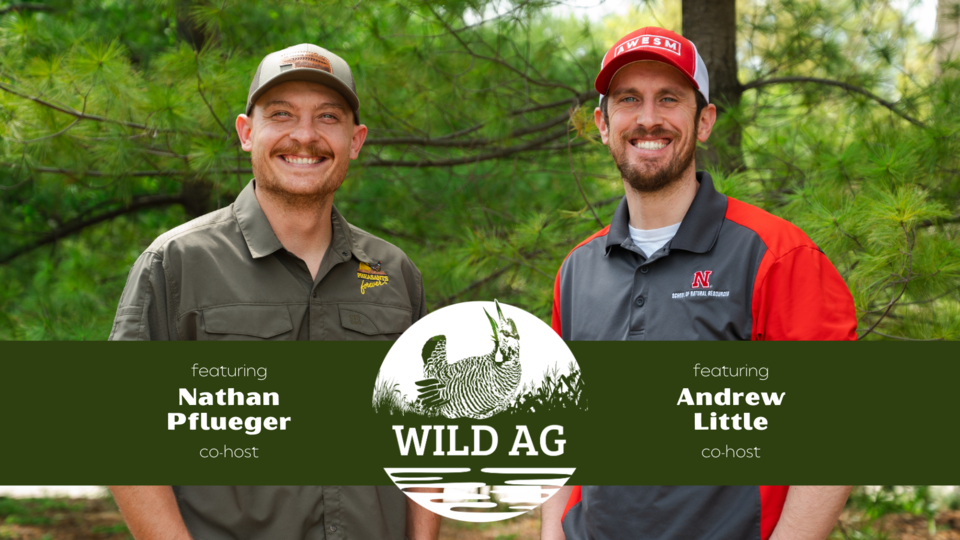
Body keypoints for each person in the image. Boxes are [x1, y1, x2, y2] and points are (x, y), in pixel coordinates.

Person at [108, 44, 438, 540]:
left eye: (328, 117)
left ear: (356, 139)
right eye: (281, 114)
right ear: (246, 132)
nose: (305, 136)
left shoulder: (395, 274)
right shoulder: (177, 264)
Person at [542, 27, 854, 539]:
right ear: (602, 124)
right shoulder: (577, 269)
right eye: (628, 99)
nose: (647, 118)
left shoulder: (776, 254)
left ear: (704, 120)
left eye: (669, 98)